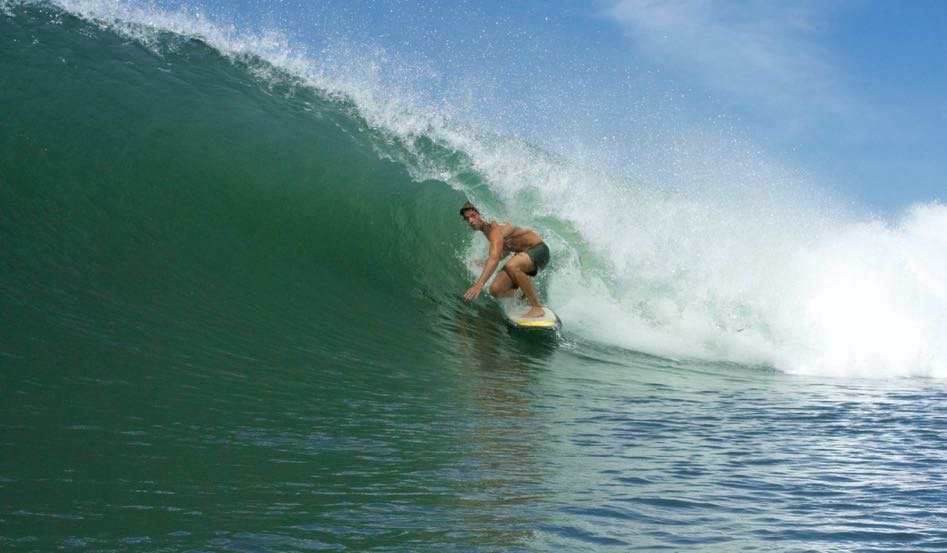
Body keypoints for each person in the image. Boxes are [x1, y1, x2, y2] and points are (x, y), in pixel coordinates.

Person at [459, 201, 549, 318]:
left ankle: (536, 307)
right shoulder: (487, 231)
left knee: (512, 265)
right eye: (467, 218)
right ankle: (522, 294)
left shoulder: (495, 230)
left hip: (539, 250)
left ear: (481, 214)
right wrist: (485, 262)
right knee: (495, 290)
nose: (470, 221)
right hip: (522, 257)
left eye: (473, 216)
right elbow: (505, 250)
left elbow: (495, 258)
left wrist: (479, 285)